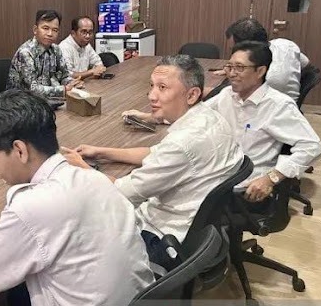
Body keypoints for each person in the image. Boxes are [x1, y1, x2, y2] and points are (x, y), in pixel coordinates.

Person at [0, 90, 154, 306]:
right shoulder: (94, 178)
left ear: (19, 150)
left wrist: (11, 226)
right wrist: (19, 227)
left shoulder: (31, 207)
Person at [62, 55, 243, 267]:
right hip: (197, 231)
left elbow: (121, 193)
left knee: (74, 222)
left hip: (162, 239)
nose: (151, 95)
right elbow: (155, 153)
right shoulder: (209, 118)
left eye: (162, 87)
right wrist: (102, 152)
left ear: (192, 95)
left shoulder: (183, 143)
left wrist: (82, 167)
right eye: (152, 86)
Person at [205, 41, 321, 202]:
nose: (231, 73)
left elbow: (313, 147)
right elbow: (198, 115)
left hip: (245, 185)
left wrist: (271, 178)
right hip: (219, 172)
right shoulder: (227, 94)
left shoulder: (277, 105)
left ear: (260, 71)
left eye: (239, 67)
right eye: (229, 67)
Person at [220, 17, 309, 101]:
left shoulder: (268, 78)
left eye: (233, 49)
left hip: (270, 108)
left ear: (249, 47)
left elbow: (234, 94)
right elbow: (306, 65)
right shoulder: (286, 44)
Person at [7, 9, 82, 99]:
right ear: (35, 30)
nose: (50, 34)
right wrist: (63, 90)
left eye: (55, 30)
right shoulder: (26, 53)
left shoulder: (56, 49)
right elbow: (32, 89)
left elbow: (64, 76)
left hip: (48, 100)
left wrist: (72, 83)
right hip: (21, 102)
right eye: (45, 28)